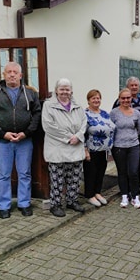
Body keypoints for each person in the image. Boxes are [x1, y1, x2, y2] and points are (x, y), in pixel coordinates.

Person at [0, 62, 41, 219]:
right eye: (9, 72)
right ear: (4, 74)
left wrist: (27, 132)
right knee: (4, 174)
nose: (12, 74)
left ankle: (24, 203)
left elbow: (37, 114)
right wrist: (2, 133)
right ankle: (3, 206)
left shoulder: (30, 93)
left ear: (21, 75)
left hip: (24, 141)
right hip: (3, 141)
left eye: (15, 72)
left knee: (24, 173)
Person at [42, 78, 87, 217]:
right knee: (57, 179)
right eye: (61, 89)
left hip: (75, 147)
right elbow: (49, 127)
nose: (65, 92)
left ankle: (72, 201)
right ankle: (55, 205)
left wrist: (78, 136)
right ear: (56, 90)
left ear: (71, 91)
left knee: (74, 177)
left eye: (67, 89)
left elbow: (84, 122)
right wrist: (69, 138)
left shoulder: (77, 105)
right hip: (58, 149)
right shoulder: (49, 105)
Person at [112, 77, 140, 196]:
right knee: (125, 166)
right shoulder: (121, 100)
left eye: (136, 85)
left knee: (138, 163)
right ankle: (125, 189)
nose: (134, 87)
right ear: (127, 87)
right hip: (124, 138)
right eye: (131, 85)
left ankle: (137, 187)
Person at [110, 88, 140, 209]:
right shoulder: (114, 113)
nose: (125, 100)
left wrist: (131, 136)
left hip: (134, 146)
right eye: (123, 98)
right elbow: (111, 129)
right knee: (122, 172)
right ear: (119, 99)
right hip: (119, 147)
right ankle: (124, 195)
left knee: (133, 172)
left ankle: (135, 197)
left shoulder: (136, 113)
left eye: (128, 98)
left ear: (131, 99)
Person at [83, 89, 115, 207]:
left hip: (104, 150)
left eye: (98, 98)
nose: (96, 100)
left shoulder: (104, 113)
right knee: (91, 173)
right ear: (88, 101)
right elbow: (82, 133)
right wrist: (85, 149)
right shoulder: (85, 114)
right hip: (91, 150)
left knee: (100, 172)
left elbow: (111, 127)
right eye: (93, 98)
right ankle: (89, 195)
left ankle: (97, 192)